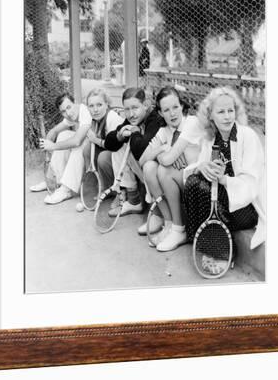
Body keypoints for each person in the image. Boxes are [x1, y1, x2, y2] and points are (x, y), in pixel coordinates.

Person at [182, 86, 265, 270]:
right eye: (221, 112)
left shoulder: (248, 136)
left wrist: (224, 180)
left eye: (230, 110)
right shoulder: (211, 138)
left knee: (204, 189)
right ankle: (210, 245)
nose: (227, 116)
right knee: (193, 182)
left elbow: (252, 184)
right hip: (220, 200)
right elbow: (200, 169)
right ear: (210, 115)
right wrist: (202, 166)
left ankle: (224, 253)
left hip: (246, 208)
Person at [139, 87, 204, 251]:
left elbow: (167, 161)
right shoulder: (164, 131)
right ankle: (168, 223)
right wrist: (162, 149)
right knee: (149, 167)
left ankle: (179, 229)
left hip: (197, 183)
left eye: (175, 107)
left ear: (182, 106)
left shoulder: (192, 123)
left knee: (163, 169)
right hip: (177, 181)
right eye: (166, 110)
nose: (172, 113)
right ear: (160, 113)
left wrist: (164, 154)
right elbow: (142, 160)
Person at [101, 87, 163, 216]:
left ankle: (157, 212)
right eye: (127, 109)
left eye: (135, 108)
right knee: (118, 144)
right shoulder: (133, 119)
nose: (130, 114)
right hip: (145, 166)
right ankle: (133, 200)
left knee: (132, 145)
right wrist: (119, 135)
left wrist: (134, 132)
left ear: (145, 105)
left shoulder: (155, 119)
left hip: (160, 167)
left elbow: (141, 152)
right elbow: (109, 143)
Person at [29, 92, 92, 205]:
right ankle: (54, 180)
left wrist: (52, 146)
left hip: (103, 147)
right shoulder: (71, 116)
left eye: (69, 107)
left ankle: (66, 190)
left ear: (75, 103)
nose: (68, 113)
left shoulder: (84, 112)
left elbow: (77, 141)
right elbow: (54, 131)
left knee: (79, 145)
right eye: (63, 111)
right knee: (63, 135)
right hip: (91, 145)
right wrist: (47, 143)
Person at [83, 89, 123, 189]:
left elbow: (114, 146)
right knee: (87, 150)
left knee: (103, 157)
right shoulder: (94, 119)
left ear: (106, 104)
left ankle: (116, 189)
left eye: (99, 105)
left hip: (120, 154)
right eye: (91, 106)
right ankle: (95, 185)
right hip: (109, 150)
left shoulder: (112, 118)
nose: (95, 110)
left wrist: (95, 140)